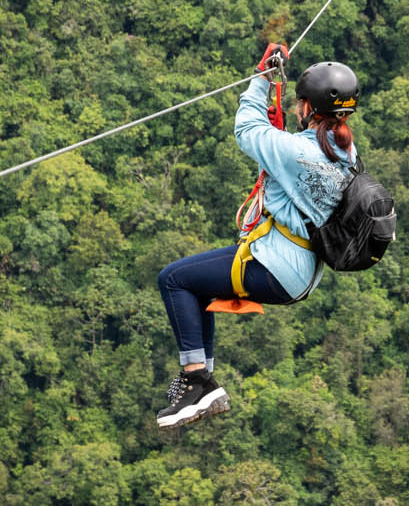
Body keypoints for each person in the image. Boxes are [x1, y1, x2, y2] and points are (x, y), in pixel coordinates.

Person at [152, 42, 360, 429]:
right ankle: (201, 383)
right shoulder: (344, 154)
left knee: (174, 279)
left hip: (277, 266)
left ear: (307, 109)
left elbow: (247, 129)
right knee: (198, 285)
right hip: (302, 273)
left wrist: (262, 79)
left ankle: (196, 379)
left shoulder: (297, 151)